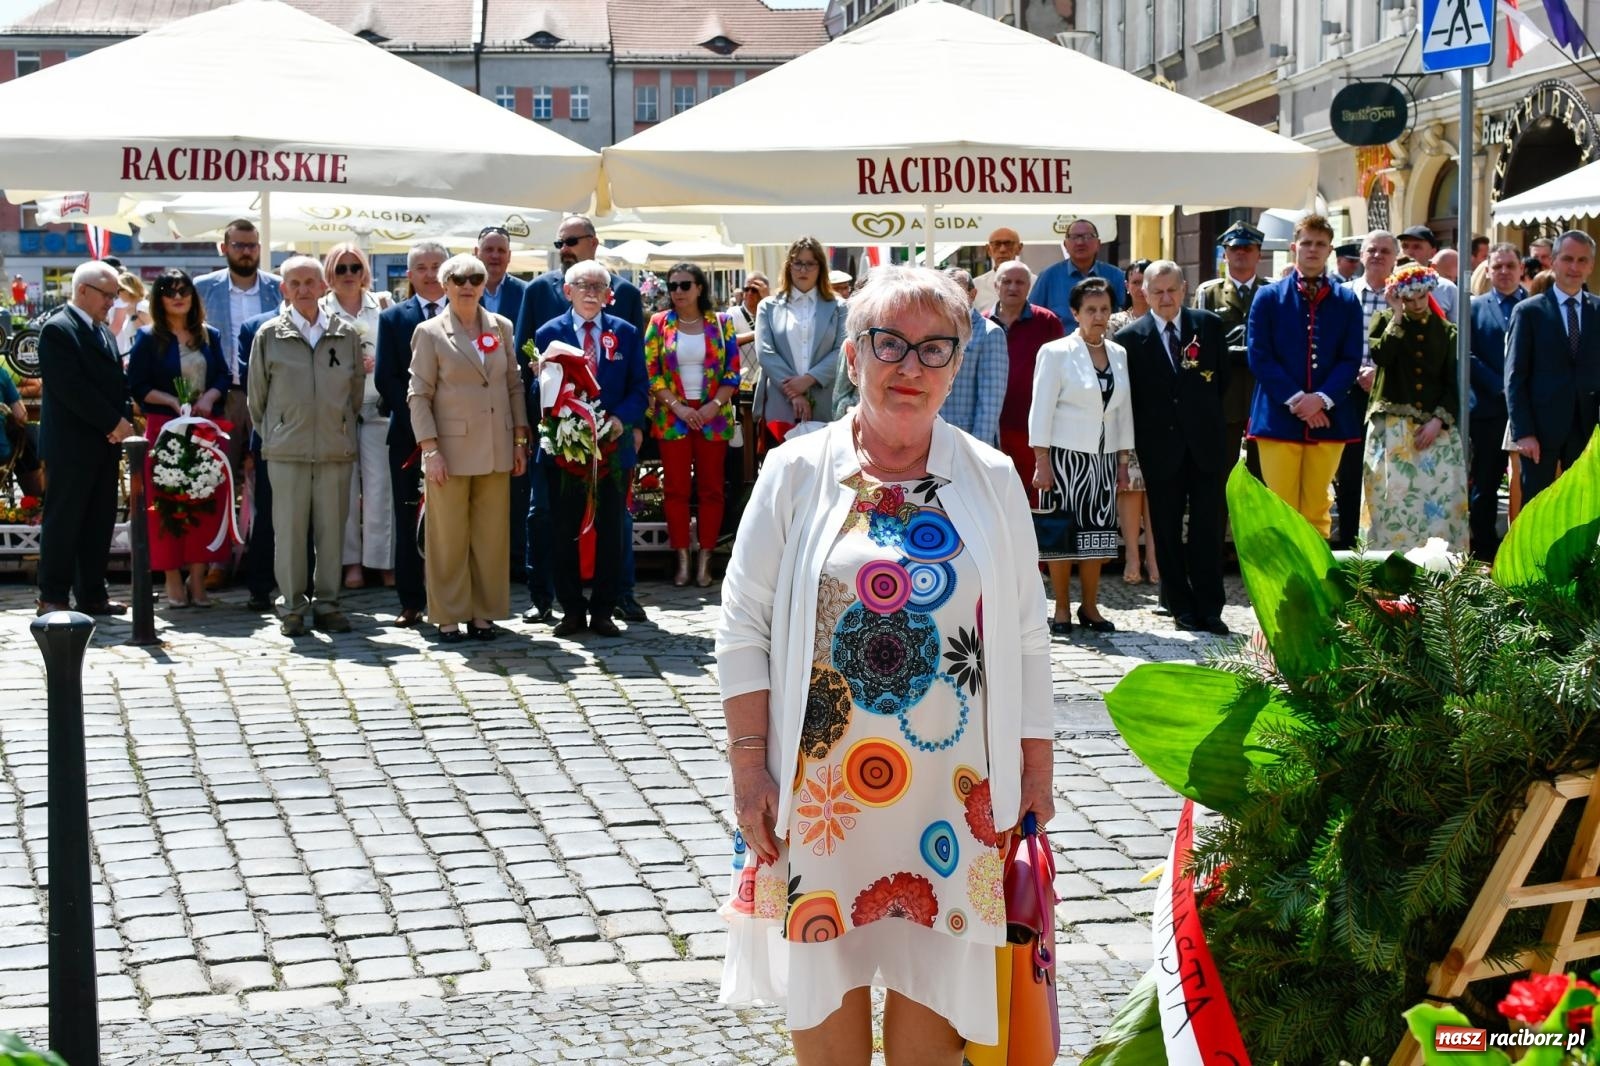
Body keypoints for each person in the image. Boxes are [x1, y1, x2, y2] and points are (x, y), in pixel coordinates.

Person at [716, 264, 1053, 1064]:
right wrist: (747, 769)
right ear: (854, 357)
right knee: (825, 991)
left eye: (934, 349)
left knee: (932, 1020)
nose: (911, 367)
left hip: (956, 795)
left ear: (958, 362)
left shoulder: (990, 475)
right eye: (889, 344)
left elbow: (1026, 633)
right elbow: (742, 627)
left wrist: (1033, 773)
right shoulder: (796, 471)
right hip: (821, 793)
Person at [515, 214, 647, 626]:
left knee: (611, 527)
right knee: (563, 528)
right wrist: (543, 385)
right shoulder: (548, 334)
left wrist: (623, 420)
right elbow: (537, 395)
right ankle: (571, 609)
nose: (591, 293)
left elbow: (639, 388)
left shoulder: (624, 332)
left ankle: (605, 610)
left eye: (599, 287)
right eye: (583, 287)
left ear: (609, 295)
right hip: (566, 444)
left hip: (613, 442)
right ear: (567, 291)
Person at [407, 253, 529, 643]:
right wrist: (429, 449)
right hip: (450, 449)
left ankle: (483, 614)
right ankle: (446, 615)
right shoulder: (429, 332)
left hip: (496, 445)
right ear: (445, 285)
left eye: (474, 278)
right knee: (448, 537)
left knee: (491, 536)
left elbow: (513, 385)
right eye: (457, 278)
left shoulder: (502, 327)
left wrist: (520, 439)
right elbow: (418, 395)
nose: (466, 285)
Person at [246, 256, 364, 636]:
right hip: (286, 451)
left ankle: (329, 604)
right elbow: (256, 399)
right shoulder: (268, 335)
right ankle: (293, 607)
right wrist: (278, 433)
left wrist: (338, 426)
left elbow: (355, 392)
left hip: (333, 448)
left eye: (310, 281)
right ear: (284, 289)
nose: (303, 290)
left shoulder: (345, 334)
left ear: (323, 285)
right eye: (294, 283)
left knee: (332, 532)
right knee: (290, 533)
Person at [1116, 261, 1230, 635]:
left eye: (1172, 290)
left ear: (1184, 289)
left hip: (1206, 445)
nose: (1165, 298)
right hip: (1160, 447)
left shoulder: (1208, 326)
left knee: (1208, 527)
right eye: (1157, 292)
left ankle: (1211, 607)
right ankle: (1179, 605)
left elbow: (1222, 382)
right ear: (1144, 294)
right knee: (1164, 529)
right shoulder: (1130, 339)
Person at [1245, 213, 1365, 537]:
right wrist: (1300, 400)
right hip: (1277, 417)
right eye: (1307, 243)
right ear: (1294, 246)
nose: (1313, 249)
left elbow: (1350, 358)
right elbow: (1259, 356)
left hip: (1330, 418)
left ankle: (1316, 583)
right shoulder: (1268, 297)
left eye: (1320, 244)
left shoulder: (1346, 300)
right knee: (1280, 507)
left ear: (1330, 250)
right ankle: (1281, 585)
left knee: (1318, 509)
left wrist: (1321, 400)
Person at [1030, 277, 1134, 635]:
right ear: (1075, 312)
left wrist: (1123, 463)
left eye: (1105, 309)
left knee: (1099, 536)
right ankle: (1061, 609)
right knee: (1062, 536)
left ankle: (1090, 607)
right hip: (1062, 459)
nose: (1099, 316)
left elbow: (1123, 412)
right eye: (1091, 310)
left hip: (1103, 459)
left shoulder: (1119, 354)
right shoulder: (1056, 352)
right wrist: (1041, 460)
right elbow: (1040, 408)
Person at [125, 269, 231, 608]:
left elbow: (223, 376)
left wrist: (210, 397)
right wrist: (171, 400)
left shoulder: (209, 335)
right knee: (166, 508)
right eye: (169, 291)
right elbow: (137, 385)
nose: (178, 295)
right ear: (159, 299)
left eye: (184, 289)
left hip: (204, 430)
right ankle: (172, 578)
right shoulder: (147, 337)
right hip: (164, 430)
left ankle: (197, 579)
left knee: (205, 504)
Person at [35, 261, 133, 616]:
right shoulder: (59, 330)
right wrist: (114, 422)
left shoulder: (102, 331)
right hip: (71, 446)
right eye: (107, 295)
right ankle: (52, 596)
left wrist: (121, 417)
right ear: (83, 291)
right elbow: (71, 388)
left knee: (98, 522)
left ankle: (92, 593)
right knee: (64, 521)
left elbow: (113, 383)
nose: (112, 302)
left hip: (104, 444)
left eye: (115, 295)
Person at [644, 262, 740, 588]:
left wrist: (713, 405)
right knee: (675, 490)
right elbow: (652, 372)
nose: (678, 292)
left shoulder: (722, 323)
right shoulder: (659, 324)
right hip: (674, 417)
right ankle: (682, 559)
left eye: (685, 285)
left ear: (699, 287)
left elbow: (732, 373)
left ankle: (706, 560)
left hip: (713, 416)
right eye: (672, 286)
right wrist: (679, 407)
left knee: (712, 489)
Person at [1362, 263, 1469, 551]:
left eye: (1422, 297)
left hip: (1435, 428)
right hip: (1392, 428)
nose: (1417, 304)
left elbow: (1453, 385)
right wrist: (1396, 314)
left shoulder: (1448, 332)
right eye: (1410, 299)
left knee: (1439, 504)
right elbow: (1382, 356)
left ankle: (1440, 570)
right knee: (1391, 505)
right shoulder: (1385, 321)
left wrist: (1438, 421)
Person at [375, 241, 448, 628]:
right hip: (407, 438)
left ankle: (451, 598)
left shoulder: (468, 314)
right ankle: (410, 601)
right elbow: (386, 379)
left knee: (453, 521)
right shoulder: (393, 319)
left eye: (437, 265)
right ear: (410, 273)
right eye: (421, 266)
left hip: (459, 437)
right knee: (408, 521)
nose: (430, 273)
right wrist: (422, 428)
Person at [320, 243, 394, 591]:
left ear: (365, 270)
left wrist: (379, 366)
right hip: (338, 412)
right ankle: (350, 563)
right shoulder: (320, 310)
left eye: (355, 267)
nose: (349, 275)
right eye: (341, 268)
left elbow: (397, 352)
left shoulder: (382, 305)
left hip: (376, 407)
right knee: (343, 492)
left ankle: (382, 561)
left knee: (381, 488)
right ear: (329, 275)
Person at [1506, 230, 1600, 503]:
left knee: (1583, 504)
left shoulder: (1598, 310)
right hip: (1540, 431)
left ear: (1591, 266)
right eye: (1568, 258)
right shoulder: (1529, 311)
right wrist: (1523, 432)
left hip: (1587, 429)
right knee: (1538, 504)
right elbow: (1515, 377)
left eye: (1582, 260)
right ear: (1554, 262)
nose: (1574, 267)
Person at [194, 219, 283, 481]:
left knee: (269, 475)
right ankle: (226, 524)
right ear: (224, 247)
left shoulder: (278, 288)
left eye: (252, 246)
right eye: (239, 245)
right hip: (222, 395)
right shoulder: (202, 287)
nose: (246, 251)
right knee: (219, 474)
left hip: (270, 395)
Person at [1335, 229, 1398, 549]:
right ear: (1361, 256)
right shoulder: (1343, 294)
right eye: (1372, 250)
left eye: (1384, 251)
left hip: (1390, 396)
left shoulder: (1405, 297)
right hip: (1347, 394)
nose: (1377, 256)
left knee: (1387, 475)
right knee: (1348, 475)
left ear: (1395, 259)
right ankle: (1348, 547)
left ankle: (1383, 548)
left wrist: (1380, 372)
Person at [1193, 220, 1269, 482]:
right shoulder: (1208, 293)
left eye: (1248, 248)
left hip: (1263, 395)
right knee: (1220, 475)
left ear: (1259, 253)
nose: (1241, 253)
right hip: (1224, 396)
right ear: (1225, 253)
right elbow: (1198, 345)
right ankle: (1219, 525)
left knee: (1262, 476)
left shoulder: (1271, 291)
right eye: (1234, 248)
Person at [753, 237, 845, 443]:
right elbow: (765, 353)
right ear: (788, 267)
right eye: (798, 263)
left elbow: (842, 350)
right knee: (781, 471)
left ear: (820, 267)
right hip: (781, 402)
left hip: (825, 402)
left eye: (810, 263)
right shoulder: (768, 306)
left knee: (823, 471)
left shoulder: (839, 307)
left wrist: (809, 379)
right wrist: (794, 393)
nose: (803, 270)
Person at [1467, 243, 1526, 560]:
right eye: (1497, 266)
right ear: (1487, 271)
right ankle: (1485, 549)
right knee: (1486, 483)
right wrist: (1500, 385)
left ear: (1521, 270)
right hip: (1489, 409)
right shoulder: (1475, 309)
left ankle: (1524, 543)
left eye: (1510, 266)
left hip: (1527, 412)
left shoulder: (1534, 305)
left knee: (1527, 481)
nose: (1504, 272)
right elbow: (1468, 354)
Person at [987, 259, 1064, 488]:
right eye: (1006, 281)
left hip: (1032, 429)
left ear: (1029, 286)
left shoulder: (1047, 322)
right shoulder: (981, 324)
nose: (1013, 287)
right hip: (992, 427)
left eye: (1020, 282)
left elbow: (1061, 373)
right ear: (995, 285)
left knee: (1031, 494)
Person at [1108, 258, 1158, 586]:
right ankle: (1132, 556)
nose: (1140, 287)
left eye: (1146, 281)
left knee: (1158, 489)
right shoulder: (1114, 322)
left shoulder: (1167, 320)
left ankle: (1156, 557)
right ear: (1127, 285)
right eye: (1135, 281)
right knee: (1130, 487)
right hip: (1125, 412)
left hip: (1161, 416)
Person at [938, 268, 1007, 447]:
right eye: (946, 291)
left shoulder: (990, 333)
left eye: (957, 291)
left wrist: (978, 450)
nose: (951, 298)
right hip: (933, 437)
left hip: (968, 440)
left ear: (973, 294)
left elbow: (990, 403)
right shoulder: (934, 330)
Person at [1028, 218, 1127, 334]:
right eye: (1074, 237)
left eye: (1087, 236)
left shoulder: (1116, 276)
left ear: (1098, 244)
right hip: (1061, 347)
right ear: (1065, 244)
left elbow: (1127, 314)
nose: (1080, 242)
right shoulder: (1048, 277)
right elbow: (1032, 316)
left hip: (1104, 346)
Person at [1397, 225, 1457, 319]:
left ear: (1432, 253)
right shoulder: (1390, 287)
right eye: (1405, 246)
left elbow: (1457, 330)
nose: (1409, 252)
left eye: (1417, 247)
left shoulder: (1446, 288)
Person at [729, 272, 769, 389]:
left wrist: (768, 299)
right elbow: (728, 341)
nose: (749, 293)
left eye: (755, 290)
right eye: (746, 289)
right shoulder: (733, 313)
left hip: (766, 382)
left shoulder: (771, 313)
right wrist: (757, 334)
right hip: (742, 381)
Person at [970, 226, 1022, 315]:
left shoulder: (1034, 283)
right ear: (988, 250)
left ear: (1019, 248)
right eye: (996, 244)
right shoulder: (976, 286)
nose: (1002, 250)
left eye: (1008, 244)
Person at [111, 272, 147, 357]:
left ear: (129, 290)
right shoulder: (131, 307)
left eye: (119, 290)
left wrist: (133, 315)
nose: (117, 294)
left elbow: (146, 334)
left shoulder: (142, 306)